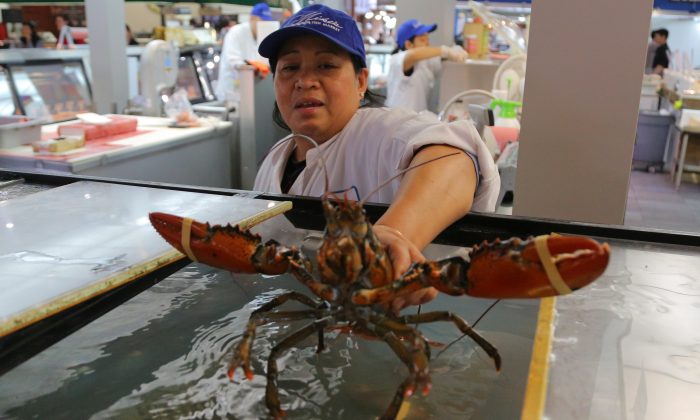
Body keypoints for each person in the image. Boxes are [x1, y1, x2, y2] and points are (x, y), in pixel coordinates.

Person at [255, 4, 500, 310]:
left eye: (326, 66)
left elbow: (454, 155)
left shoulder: (381, 131)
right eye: (290, 67)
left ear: (361, 82)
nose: (305, 81)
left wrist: (392, 235)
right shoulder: (272, 162)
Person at [385, 19, 469, 113]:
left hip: (415, 120)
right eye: (423, 40)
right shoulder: (397, 59)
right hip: (398, 120)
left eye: (428, 39)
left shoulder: (425, 62)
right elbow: (413, 55)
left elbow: (438, 60)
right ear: (408, 44)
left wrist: (455, 50)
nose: (428, 44)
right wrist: (445, 51)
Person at [215, 2, 274, 102]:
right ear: (252, 19)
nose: (264, 26)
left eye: (266, 23)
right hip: (231, 91)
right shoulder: (236, 32)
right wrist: (254, 67)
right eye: (261, 22)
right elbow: (234, 61)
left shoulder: (262, 35)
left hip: (252, 93)